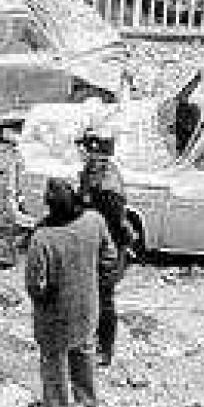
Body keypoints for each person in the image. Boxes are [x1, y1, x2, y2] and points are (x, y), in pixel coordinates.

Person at [25, 177, 120, 407]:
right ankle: (86, 403)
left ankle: (56, 406)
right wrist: (94, 281)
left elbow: (35, 284)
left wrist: (42, 299)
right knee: (84, 350)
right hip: (88, 304)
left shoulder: (42, 238)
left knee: (53, 357)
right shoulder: (94, 221)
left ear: (48, 204)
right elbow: (109, 257)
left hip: (54, 313)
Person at [78, 133, 132, 367]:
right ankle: (87, 338)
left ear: (96, 152)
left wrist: (115, 256)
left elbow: (116, 227)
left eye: (86, 149)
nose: (82, 153)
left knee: (104, 300)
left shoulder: (108, 188)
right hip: (92, 245)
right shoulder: (93, 172)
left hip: (106, 250)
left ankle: (105, 349)